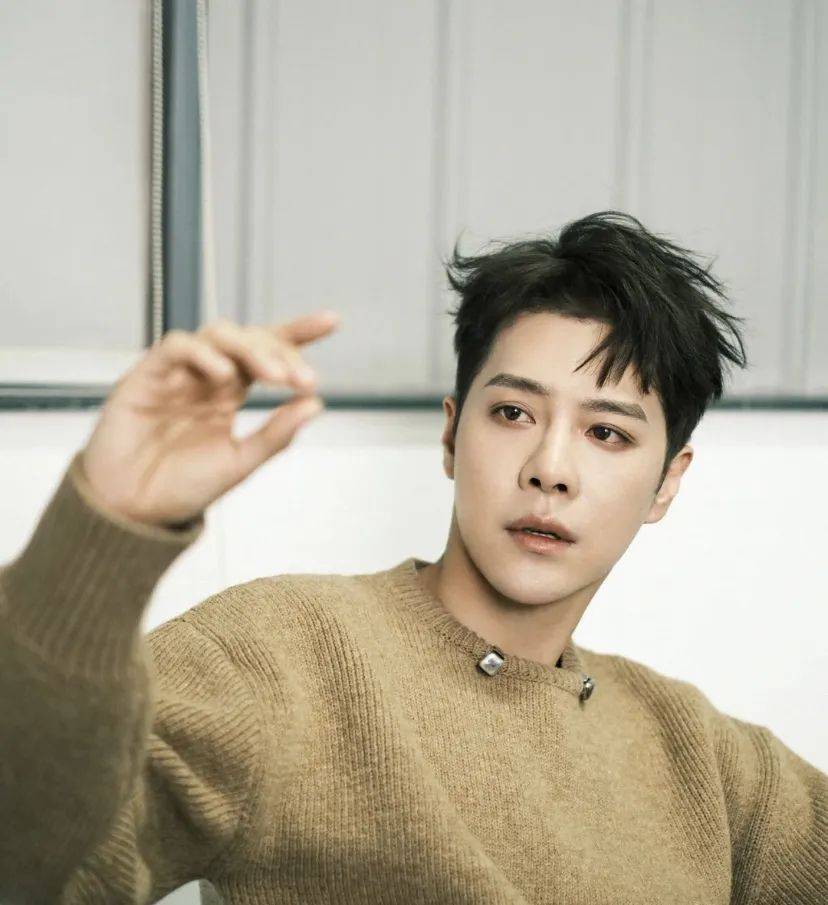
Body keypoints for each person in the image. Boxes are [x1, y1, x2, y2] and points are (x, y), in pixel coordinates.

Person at [1, 210, 824, 904]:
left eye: (606, 432)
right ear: (451, 434)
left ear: (666, 483)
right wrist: (102, 526)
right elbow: (31, 859)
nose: (551, 467)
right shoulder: (277, 655)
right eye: (512, 413)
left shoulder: (708, 762)